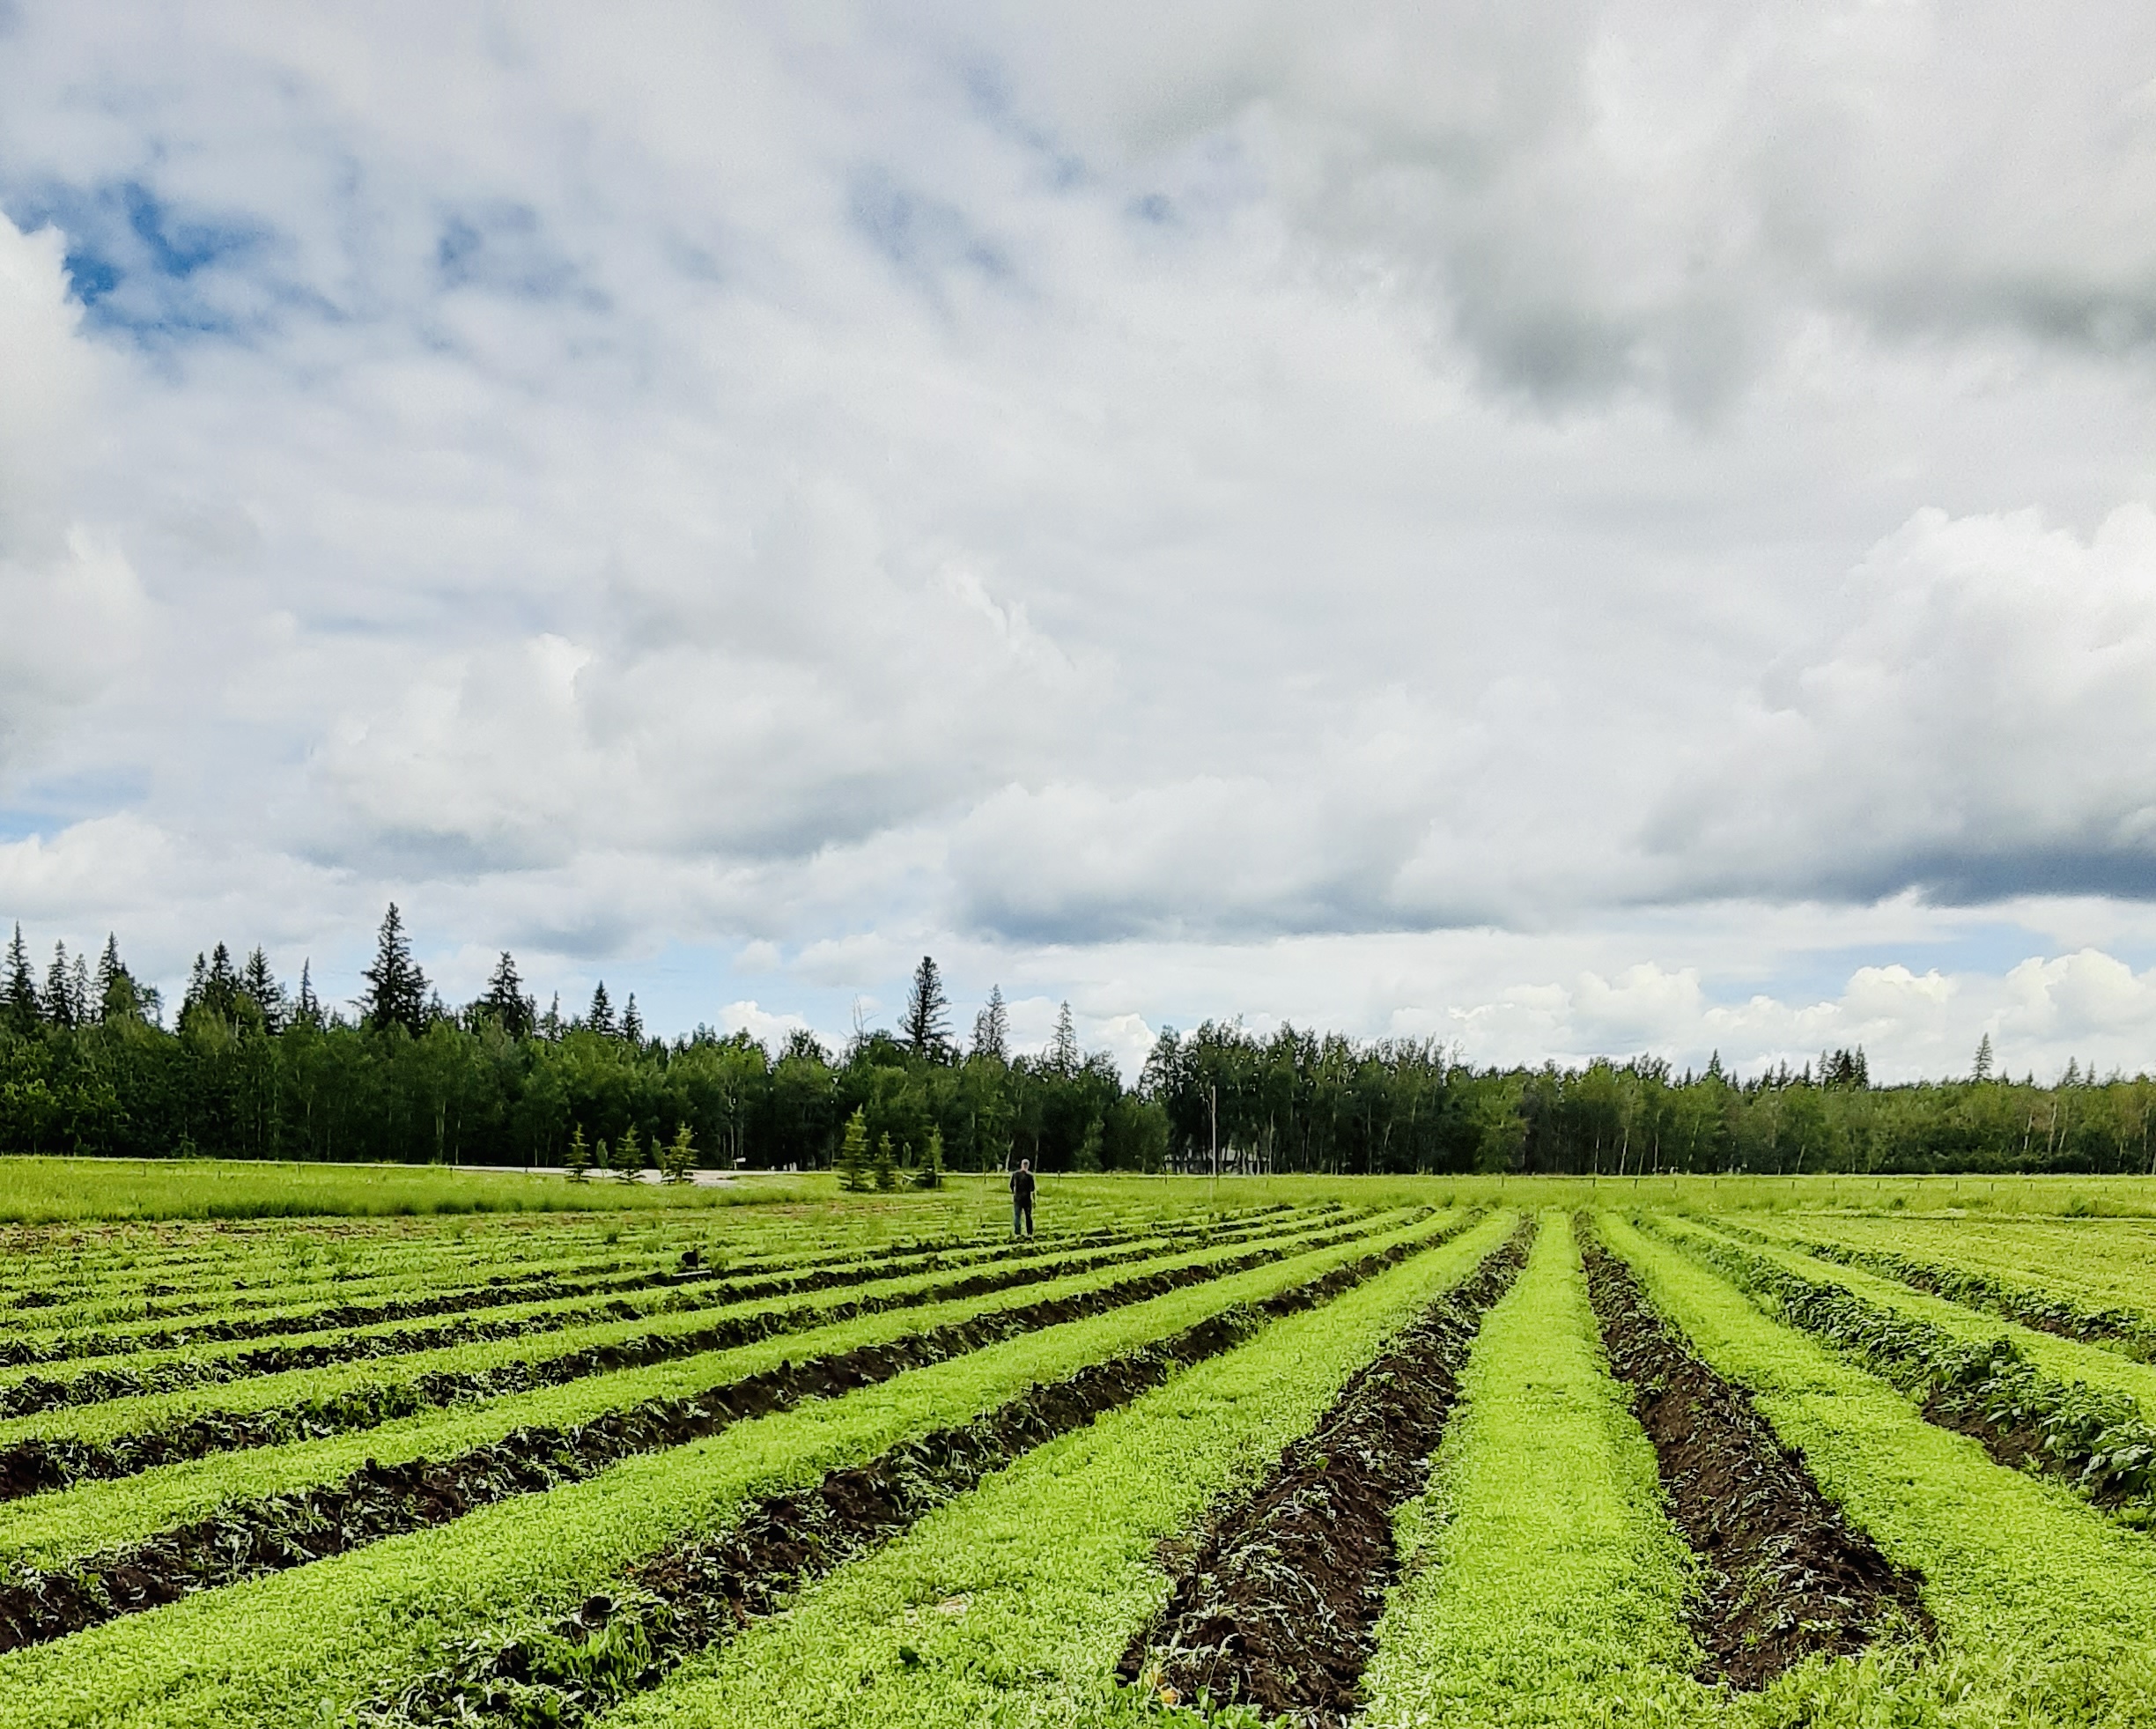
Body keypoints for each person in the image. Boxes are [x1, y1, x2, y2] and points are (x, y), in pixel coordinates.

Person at [1008, 1158, 1036, 1238]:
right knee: (1028, 1216)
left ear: (1021, 1165)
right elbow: (1032, 1190)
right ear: (1028, 1166)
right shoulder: (1030, 1176)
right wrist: (1034, 1200)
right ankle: (1029, 1233)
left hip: (1017, 1198)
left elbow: (1011, 1186)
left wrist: (1014, 1193)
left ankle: (1017, 1233)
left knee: (1017, 1216)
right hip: (1027, 1199)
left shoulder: (1015, 1174)